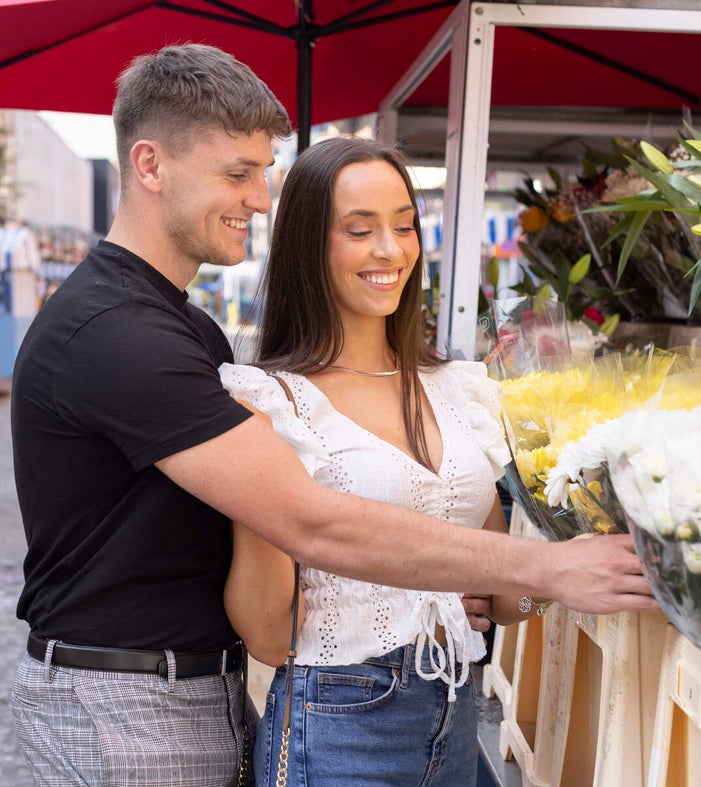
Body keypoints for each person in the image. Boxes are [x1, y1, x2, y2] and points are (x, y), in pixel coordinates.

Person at [10, 43, 653, 787]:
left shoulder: (184, 328)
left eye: (264, 171)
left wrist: (446, 586)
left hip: (198, 692)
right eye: (238, 173)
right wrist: (544, 564)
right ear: (149, 165)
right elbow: (307, 519)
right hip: (129, 707)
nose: (259, 197)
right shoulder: (116, 333)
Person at [221, 137, 541, 786]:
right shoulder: (270, 401)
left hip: (454, 705)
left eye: (404, 225)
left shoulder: (457, 387)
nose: (391, 250)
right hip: (339, 717)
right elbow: (266, 632)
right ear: (310, 247)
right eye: (360, 229)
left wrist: (570, 538)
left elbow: (505, 597)